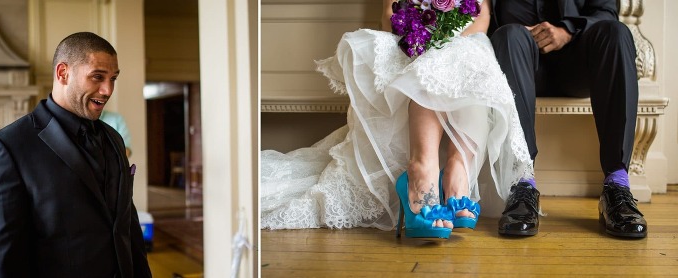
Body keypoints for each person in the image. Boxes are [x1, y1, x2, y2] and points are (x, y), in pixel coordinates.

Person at [261, 0, 534, 240]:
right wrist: (423, 37)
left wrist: (448, 41)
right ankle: (422, 171)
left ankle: (457, 169)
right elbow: (388, 15)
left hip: (467, 40)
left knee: (467, 56)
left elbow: (482, 17)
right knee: (433, 60)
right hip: (411, 42)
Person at [0, 32, 152, 277]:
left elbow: (127, 227)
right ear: (62, 73)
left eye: (113, 78)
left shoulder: (114, 138)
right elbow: (3, 261)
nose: (107, 89)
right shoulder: (6, 148)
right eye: (97, 77)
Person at [488, 0, 647, 238]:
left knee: (617, 32)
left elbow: (605, 11)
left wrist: (567, 31)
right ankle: (522, 185)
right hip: (517, 60)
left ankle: (617, 186)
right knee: (510, 35)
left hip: (578, 65)